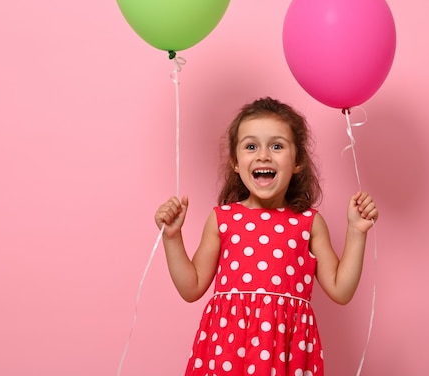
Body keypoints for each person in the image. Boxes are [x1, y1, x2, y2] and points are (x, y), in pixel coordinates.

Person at [154, 97, 378, 376]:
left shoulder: (309, 223)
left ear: (297, 162)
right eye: (251, 146)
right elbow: (191, 287)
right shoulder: (222, 219)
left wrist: (356, 232)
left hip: (286, 354)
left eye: (277, 146)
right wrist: (173, 238)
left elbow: (341, 290)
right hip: (228, 351)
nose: (263, 155)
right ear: (236, 162)